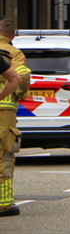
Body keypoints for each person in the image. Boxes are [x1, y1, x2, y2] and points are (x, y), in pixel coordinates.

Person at [0, 51, 26, 217]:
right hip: (4, 117)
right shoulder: (12, 53)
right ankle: (3, 204)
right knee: (3, 157)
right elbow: (16, 78)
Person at [0, 18, 31, 101]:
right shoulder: (15, 52)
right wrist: (21, 93)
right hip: (5, 102)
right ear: (14, 36)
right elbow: (23, 75)